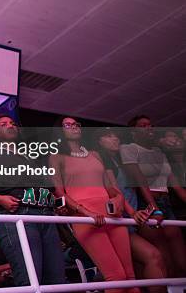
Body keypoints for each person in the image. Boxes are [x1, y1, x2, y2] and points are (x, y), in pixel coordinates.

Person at [0, 115, 65, 287]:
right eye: (4, 124)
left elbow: (51, 188)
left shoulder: (30, 156)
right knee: (31, 279)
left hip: (47, 216)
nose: (10, 125)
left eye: (12, 123)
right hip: (19, 215)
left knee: (56, 279)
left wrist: (62, 204)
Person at [51, 116, 138, 293]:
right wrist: (86, 212)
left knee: (130, 278)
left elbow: (111, 188)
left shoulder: (95, 154)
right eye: (68, 125)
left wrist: (121, 201)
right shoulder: (56, 157)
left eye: (76, 124)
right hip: (86, 218)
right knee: (116, 278)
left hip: (113, 215)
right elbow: (60, 192)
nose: (74, 127)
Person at [95, 127, 167, 292]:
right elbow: (114, 192)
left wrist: (151, 210)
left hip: (131, 221)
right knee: (153, 256)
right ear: (98, 141)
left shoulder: (121, 161)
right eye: (108, 136)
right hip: (118, 221)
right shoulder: (101, 161)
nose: (115, 139)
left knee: (144, 264)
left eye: (116, 136)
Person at [121, 115, 186, 277]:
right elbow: (139, 179)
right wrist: (155, 208)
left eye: (150, 125)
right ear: (133, 132)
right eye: (143, 126)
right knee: (164, 261)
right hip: (148, 204)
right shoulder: (129, 148)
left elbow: (173, 183)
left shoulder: (159, 152)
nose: (149, 128)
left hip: (166, 203)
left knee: (182, 263)